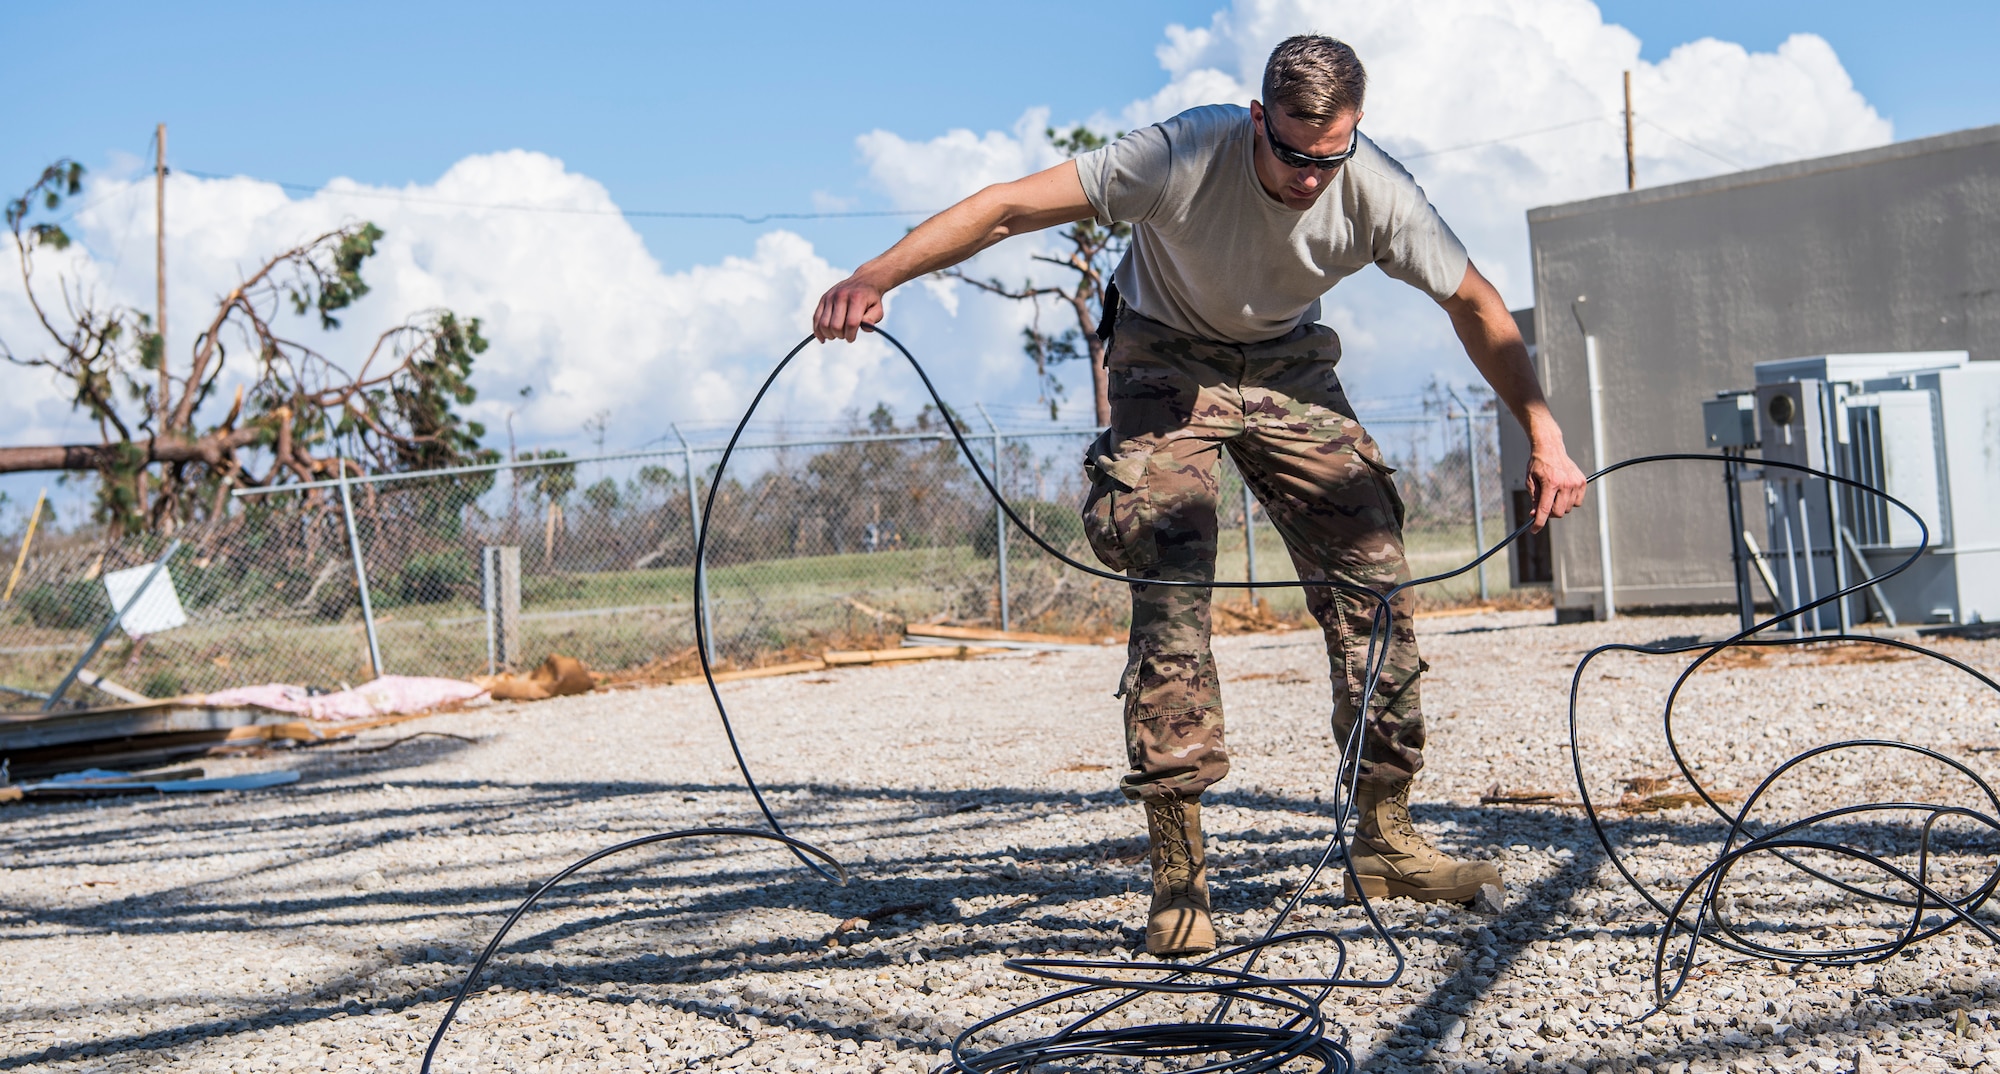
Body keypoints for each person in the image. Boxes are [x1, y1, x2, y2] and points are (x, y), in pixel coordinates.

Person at [813, 34, 1587, 957]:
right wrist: (875, 275)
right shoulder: (1183, 152)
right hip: (1164, 355)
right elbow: (1008, 208)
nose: (1309, 179)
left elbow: (1478, 304)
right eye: (1293, 155)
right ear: (1259, 120)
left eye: (1328, 157)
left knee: (1377, 582)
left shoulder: (1376, 189)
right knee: (1173, 587)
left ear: (1355, 133)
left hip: (1290, 365)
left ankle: (1383, 838)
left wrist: (1544, 431)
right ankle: (1178, 868)